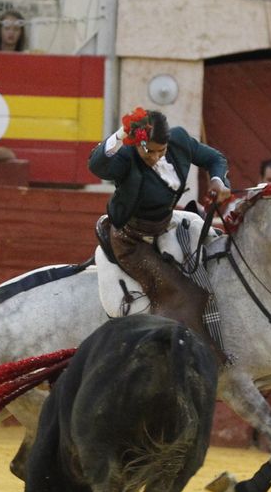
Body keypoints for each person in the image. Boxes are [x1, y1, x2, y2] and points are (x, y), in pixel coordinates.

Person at [88, 106, 231, 350]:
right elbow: (97, 166)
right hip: (130, 239)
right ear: (138, 142)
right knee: (179, 294)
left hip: (167, 223)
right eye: (149, 151)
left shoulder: (180, 141)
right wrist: (121, 134)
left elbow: (214, 159)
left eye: (160, 151)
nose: (154, 157)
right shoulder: (126, 156)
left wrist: (218, 180)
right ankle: (182, 353)